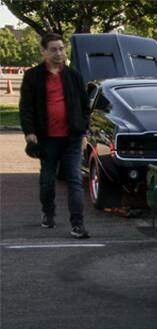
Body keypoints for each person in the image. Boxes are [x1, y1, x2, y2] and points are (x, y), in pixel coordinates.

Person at [19, 33, 90, 238]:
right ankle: (48, 212)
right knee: (47, 180)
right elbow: (26, 108)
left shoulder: (74, 76)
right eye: (53, 49)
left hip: (72, 139)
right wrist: (30, 132)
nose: (58, 53)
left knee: (75, 179)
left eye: (61, 48)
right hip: (46, 139)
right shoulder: (33, 76)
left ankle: (77, 224)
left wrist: (82, 126)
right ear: (43, 51)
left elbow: (85, 106)